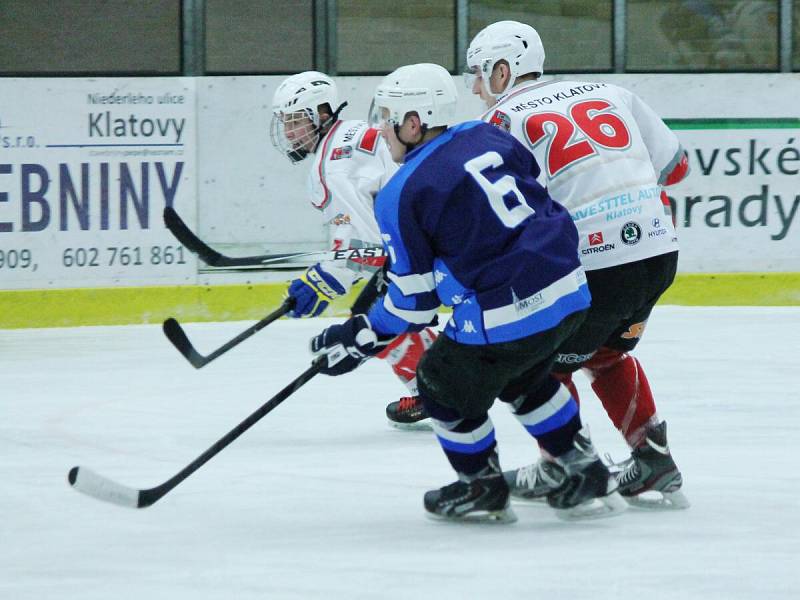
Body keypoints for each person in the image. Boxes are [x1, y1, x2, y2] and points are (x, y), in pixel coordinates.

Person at [308, 62, 627, 523]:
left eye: (387, 118)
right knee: (523, 376)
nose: (381, 130)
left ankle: (481, 486)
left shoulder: (402, 191)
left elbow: (413, 302)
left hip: (512, 305)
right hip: (571, 289)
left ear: (413, 122)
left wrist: (360, 334)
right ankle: (584, 467)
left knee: (441, 383)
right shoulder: (489, 136)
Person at [463, 20, 690, 509]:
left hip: (593, 264)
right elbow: (678, 168)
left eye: (480, 75)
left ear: (504, 71)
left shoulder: (498, 122)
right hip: (656, 252)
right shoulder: (612, 91)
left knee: (541, 361)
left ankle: (564, 464)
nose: (477, 89)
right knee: (606, 351)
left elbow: (505, 216)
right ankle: (651, 458)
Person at [270, 71, 437, 428]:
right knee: (394, 306)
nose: (288, 133)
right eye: (285, 122)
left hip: (423, 237)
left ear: (322, 114)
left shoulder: (331, 163)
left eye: (296, 121)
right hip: (428, 225)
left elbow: (365, 246)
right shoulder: (353, 131)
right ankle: (438, 385)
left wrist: (323, 282)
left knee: (374, 315)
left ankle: (438, 391)